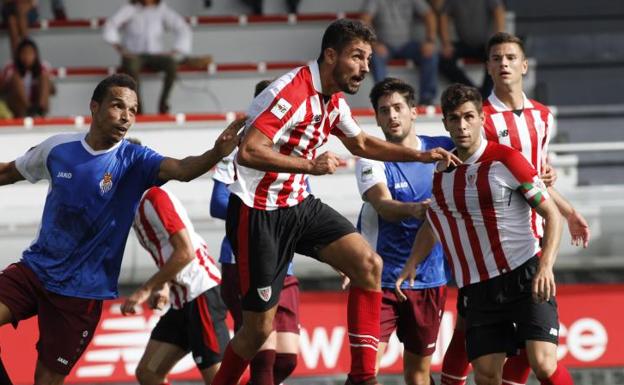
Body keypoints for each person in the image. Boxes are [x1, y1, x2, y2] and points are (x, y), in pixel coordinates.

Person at [210, 19, 459, 385]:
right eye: (357, 57)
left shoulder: (333, 101)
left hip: (298, 204)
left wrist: (419, 157)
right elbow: (249, 151)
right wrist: (309, 165)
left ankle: (362, 377)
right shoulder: (292, 92)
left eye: (368, 58)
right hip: (258, 213)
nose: (364, 66)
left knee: (368, 265)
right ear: (330, 55)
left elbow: (361, 144)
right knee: (256, 332)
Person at [0, 73, 243, 385]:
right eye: (118, 106)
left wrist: (214, 154)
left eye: (133, 110)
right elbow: (9, 171)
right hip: (34, 272)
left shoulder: (135, 160)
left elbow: (182, 169)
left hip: (80, 294)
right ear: (95, 107)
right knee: (148, 373)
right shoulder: (58, 148)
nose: (127, 117)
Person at [397, 83, 575, 385]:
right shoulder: (442, 173)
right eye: (454, 118)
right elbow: (434, 221)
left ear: (482, 118)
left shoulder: (507, 160)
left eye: (469, 117)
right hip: (479, 289)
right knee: (486, 376)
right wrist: (411, 263)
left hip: (525, 275)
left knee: (543, 363)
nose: (462, 125)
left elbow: (551, 214)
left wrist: (545, 267)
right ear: (445, 124)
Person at [439, 32, 591, 385]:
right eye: (496, 58)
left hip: (532, 241)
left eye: (510, 57)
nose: (504, 63)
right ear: (488, 67)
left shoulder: (542, 116)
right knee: (470, 333)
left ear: (524, 65)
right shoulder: (480, 118)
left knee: (536, 352)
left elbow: (537, 177)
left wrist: (567, 212)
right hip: (488, 250)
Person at [355, 77, 453, 385]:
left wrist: (542, 169)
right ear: (377, 117)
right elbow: (383, 205)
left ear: (414, 111)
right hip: (381, 281)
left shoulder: (444, 148)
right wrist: (416, 209)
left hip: (429, 280)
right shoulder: (370, 157)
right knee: (366, 371)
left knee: (418, 374)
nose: (392, 116)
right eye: (384, 111)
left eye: (398, 108)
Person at [210, 79, 300, 385]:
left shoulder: (296, 150)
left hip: (284, 265)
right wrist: (266, 208)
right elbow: (218, 202)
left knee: (286, 361)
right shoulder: (236, 148)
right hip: (242, 259)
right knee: (264, 357)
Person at [122, 182, 229, 385]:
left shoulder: (154, 198)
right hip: (182, 300)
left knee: (220, 380)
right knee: (148, 373)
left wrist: (147, 289)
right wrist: (165, 285)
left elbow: (186, 252)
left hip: (201, 294)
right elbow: (170, 251)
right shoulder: (135, 204)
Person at [103, 0, 192, 114]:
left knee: (172, 64)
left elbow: (182, 27)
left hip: (155, 55)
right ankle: (137, 108)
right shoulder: (130, 8)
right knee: (131, 66)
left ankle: (163, 104)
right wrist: (120, 48)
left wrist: (175, 50)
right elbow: (111, 24)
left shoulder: (162, 10)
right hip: (134, 54)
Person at [360, 0, 439, 105]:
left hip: (407, 45)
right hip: (384, 45)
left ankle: (427, 99)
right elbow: (364, 19)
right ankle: (383, 98)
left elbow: (429, 15)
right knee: (375, 57)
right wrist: (375, 43)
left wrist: (430, 41)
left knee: (431, 54)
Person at [438, 0, 506, 97]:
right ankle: (472, 91)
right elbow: (443, 16)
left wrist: (498, 37)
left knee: (496, 57)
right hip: (464, 44)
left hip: (486, 44)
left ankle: (486, 95)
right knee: (443, 59)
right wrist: (446, 43)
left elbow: (498, 10)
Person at [1, 37, 53, 117]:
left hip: (37, 104)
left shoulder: (43, 67)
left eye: (30, 53)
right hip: (18, 108)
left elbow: (53, 91)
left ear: (35, 55)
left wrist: (46, 84)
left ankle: (39, 111)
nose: (27, 56)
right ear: (18, 55)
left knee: (44, 77)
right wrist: (11, 83)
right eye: (24, 53)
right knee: (15, 77)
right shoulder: (10, 67)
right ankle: (30, 110)